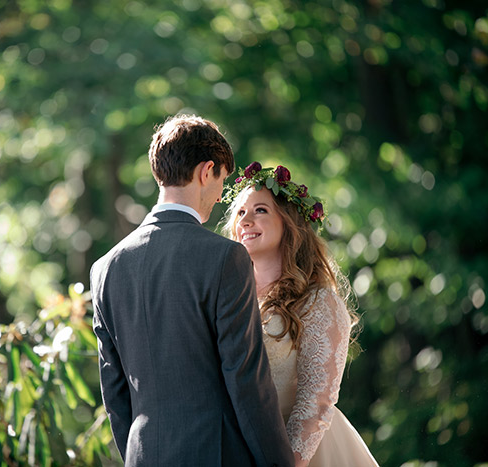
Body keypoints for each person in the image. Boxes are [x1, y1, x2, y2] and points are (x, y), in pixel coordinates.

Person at [90, 116, 295, 466]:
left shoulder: (105, 269)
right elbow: (246, 380)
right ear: (206, 171)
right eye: (222, 182)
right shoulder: (226, 257)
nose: (219, 198)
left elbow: (115, 394)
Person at [222, 162, 379, 467]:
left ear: (288, 222)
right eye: (240, 212)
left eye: (260, 211)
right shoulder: (227, 300)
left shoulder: (318, 301)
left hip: (303, 453)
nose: (246, 221)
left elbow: (316, 402)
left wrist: (287, 462)